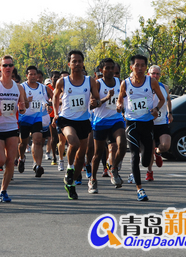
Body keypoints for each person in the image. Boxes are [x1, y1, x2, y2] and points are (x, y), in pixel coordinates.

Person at [52, 50, 101, 200]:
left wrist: (95, 102)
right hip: (66, 119)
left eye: (80, 61)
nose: (77, 64)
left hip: (83, 120)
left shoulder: (90, 81)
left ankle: (71, 183)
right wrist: (56, 113)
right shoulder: (63, 81)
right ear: (69, 64)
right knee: (72, 142)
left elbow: (97, 100)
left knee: (82, 156)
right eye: (74, 61)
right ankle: (69, 169)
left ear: (83, 63)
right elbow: (55, 97)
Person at [117, 55, 165, 201]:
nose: (139, 68)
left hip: (147, 123)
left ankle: (150, 157)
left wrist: (156, 108)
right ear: (131, 67)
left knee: (145, 160)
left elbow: (162, 99)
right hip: (131, 123)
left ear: (146, 68)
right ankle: (139, 188)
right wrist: (119, 107)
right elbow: (120, 101)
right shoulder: (125, 83)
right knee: (134, 155)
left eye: (142, 65)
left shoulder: (151, 82)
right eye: (136, 65)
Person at [0, 55, 26, 202]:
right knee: (0, 160)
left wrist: (22, 108)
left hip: (12, 126)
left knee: (11, 161)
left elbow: (22, 108)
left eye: (10, 65)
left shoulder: (19, 87)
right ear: (0, 68)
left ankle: (3, 190)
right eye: (4, 65)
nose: (8, 68)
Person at [90, 58, 127, 193]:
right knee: (98, 154)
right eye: (108, 68)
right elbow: (92, 104)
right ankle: (92, 180)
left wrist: (121, 106)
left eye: (113, 69)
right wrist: (107, 97)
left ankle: (113, 168)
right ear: (101, 70)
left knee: (122, 145)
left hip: (116, 119)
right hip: (100, 121)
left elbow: (125, 100)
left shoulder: (120, 83)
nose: (111, 71)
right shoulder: (97, 84)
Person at [18, 66, 53, 177]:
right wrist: (26, 103)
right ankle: (21, 158)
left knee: (37, 140)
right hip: (24, 118)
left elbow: (52, 97)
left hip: (37, 117)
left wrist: (49, 104)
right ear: (27, 75)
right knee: (23, 143)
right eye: (31, 74)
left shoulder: (43, 88)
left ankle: (38, 166)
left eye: (35, 74)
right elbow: (18, 102)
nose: (33, 76)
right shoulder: (22, 87)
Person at [146, 65, 173, 181]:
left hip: (161, 122)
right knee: (149, 149)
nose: (155, 76)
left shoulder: (164, 87)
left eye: (157, 74)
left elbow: (168, 101)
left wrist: (170, 112)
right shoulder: (144, 86)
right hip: (148, 122)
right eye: (153, 73)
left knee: (166, 146)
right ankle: (149, 172)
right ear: (149, 74)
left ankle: (158, 153)